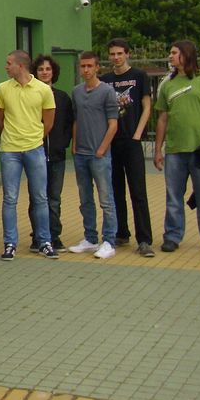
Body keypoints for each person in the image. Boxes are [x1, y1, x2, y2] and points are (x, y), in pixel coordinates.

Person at [154, 40, 200, 254]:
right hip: (175, 151)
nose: (170, 56)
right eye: (170, 53)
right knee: (173, 197)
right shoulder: (167, 85)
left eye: (174, 52)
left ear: (186, 55)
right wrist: (158, 150)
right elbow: (162, 119)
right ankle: (172, 237)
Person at [0, 50, 58, 261]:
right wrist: (10, 137)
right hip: (10, 150)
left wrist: (35, 137)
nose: (6, 67)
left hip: (34, 148)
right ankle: (9, 243)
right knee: (10, 198)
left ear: (20, 65)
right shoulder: (3, 88)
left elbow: (48, 121)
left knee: (40, 197)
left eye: (9, 63)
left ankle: (44, 241)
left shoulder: (43, 89)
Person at [102, 39, 154, 256]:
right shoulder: (105, 80)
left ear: (127, 54)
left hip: (132, 142)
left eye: (120, 53)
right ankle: (121, 233)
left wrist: (137, 134)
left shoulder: (139, 76)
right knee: (115, 190)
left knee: (138, 191)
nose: (116, 57)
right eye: (112, 54)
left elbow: (147, 106)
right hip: (112, 143)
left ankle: (144, 240)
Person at [67, 52, 120, 260]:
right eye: (83, 66)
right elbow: (76, 119)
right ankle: (90, 238)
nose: (86, 70)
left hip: (99, 155)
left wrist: (102, 149)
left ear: (97, 67)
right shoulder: (77, 91)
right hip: (80, 153)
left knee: (106, 199)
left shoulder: (107, 91)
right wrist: (74, 144)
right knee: (85, 198)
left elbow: (113, 124)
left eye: (90, 66)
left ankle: (109, 241)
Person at [31, 54, 73, 252]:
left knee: (54, 198)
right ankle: (37, 236)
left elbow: (69, 123)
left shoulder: (63, 97)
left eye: (48, 69)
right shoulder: (31, 95)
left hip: (56, 156)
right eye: (41, 69)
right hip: (35, 153)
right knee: (37, 197)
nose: (44, 72)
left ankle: (54, 236)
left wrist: (63, 143)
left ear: (53, 72)